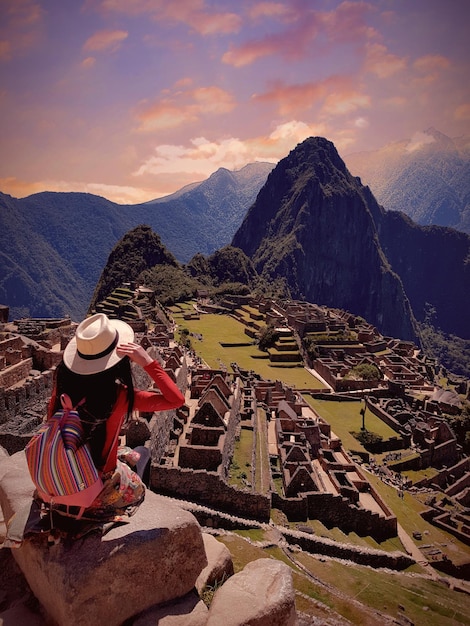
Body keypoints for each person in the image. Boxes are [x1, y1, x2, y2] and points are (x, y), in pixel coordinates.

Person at [46, 312, 185, 520]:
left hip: (56, 478)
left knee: (125, 452)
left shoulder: (62, 391)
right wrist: (148, 362)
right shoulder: (120, 397)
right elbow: (176, 399)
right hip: (94, 489)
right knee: (142, 453)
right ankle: (137, 503)